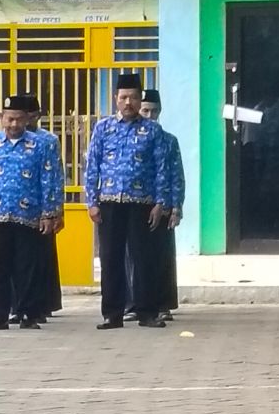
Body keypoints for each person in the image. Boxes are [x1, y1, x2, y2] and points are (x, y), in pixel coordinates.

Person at [83, 74, 168, 329]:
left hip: (142, 202)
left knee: (144, 258)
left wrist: (161, 201)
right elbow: (92, 166)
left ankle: (146, 312)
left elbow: (161, 168)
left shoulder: (153, 130)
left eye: (132, 97)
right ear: (115, 99)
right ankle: (112, 313)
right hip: (109, 202)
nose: (128, 102)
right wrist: (92, 201)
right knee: (110, 258)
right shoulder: (103, 128)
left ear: (140, 98)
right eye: (123, 97)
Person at [0, 95, 60, 331]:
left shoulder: (40, 145)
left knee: (26, 267)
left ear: (27, 120)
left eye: (19, 119)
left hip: (29, 215)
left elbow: (48, 180)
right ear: (1, 118)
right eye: (9, 119)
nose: (13, 124)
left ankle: (28, 314)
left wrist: (49, 213)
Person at [140, 88, 184, 322]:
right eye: (145, 110)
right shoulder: (129, 138)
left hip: (163, 206)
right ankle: (134, 303)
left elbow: (176, 174)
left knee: (161, 257)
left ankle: (162, 304)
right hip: (137, 206)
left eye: (154, 111)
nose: (150, 116)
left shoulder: (168, 140)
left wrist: (176, 206)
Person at [20, 95, 64, 322]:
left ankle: (45, 303)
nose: (25, 121)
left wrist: (57, 209)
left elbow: (55, 175)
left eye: (30, 116)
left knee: (43, 258)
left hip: (42, 207)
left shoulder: (48, 140)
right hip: (17, 209)